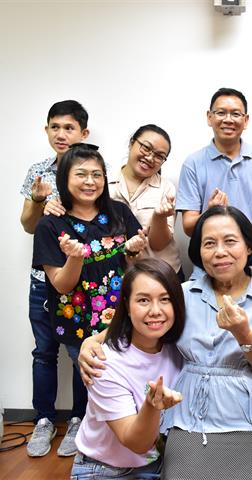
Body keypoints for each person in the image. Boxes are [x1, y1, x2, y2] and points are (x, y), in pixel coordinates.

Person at [79, 206, 252, 479]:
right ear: (199, 252)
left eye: (230, 241)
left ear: (249, 246)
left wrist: (244, 335)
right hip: (190, 414)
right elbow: (144, 319)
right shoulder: (183, 294)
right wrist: (92, 341)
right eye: (209, 243)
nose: (220, 252)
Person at [32, 143, 147, 455]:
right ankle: (80, 425)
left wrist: (136, 252)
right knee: (88, 371)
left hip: (121, 315)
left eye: (97, 174)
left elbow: (134, 267)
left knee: (120, 375)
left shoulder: (119, 212)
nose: (90, 181)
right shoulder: (50, 224)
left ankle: (117, 434)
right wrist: (75, 258)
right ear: (64, 179)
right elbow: (61, 284)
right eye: (80, 174)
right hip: (78, 317)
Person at [19, 100, 90, 457]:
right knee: (44, 352)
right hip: (42, 277)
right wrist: (37, 201)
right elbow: (29, 225)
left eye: (69, 128)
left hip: (83, 278)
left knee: (82, 353)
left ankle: (79, 420)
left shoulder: (90, 169)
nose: (61, 134)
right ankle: (43, 421)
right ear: (46, 130)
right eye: (55, 127)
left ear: (83, 133)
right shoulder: (38, 171)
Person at [70, 258, 184, 479]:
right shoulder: (103, 363)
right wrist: (152, 405)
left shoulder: (177, 346)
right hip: (106, 470)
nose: (155, 311)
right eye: (143, 300)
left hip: (159, 464)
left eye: (165, 299)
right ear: (127, 306)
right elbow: (136, 442)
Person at [177, 88, 252, 282]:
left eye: (236, 114)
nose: (228, 119)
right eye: (221, 113)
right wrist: (210, 212)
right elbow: (189, 227)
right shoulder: (194, 163)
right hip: (208, 271)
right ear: (209, 117)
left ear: (246, 120)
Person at [108, 124, 182, 280]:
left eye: (159, 156)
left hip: (160, 275)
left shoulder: (166, 188)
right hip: (114, 277)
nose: (150, 158)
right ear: (131, 143)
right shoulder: (103, 183)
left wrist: (159, 217)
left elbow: (159, 244)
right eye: (146, 148)